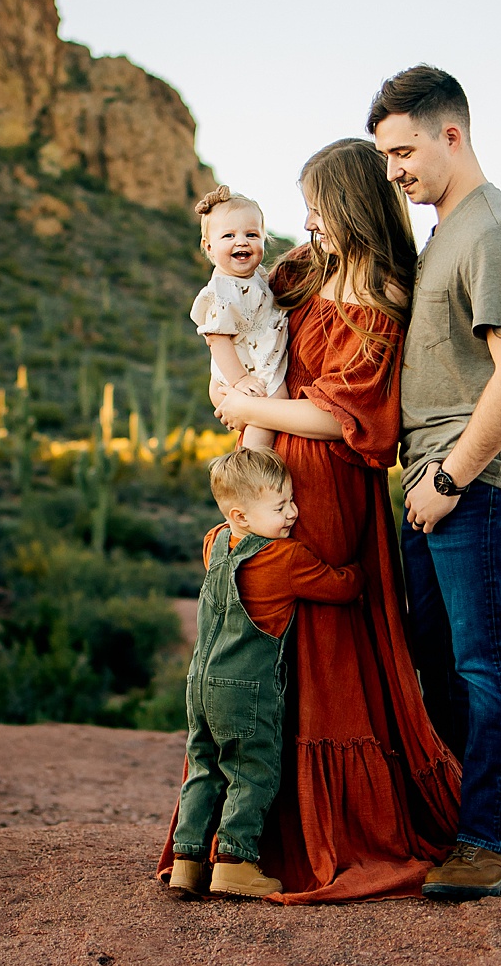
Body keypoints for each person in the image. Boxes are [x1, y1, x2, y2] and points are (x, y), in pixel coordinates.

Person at [162, 139, 462, 904]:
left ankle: (298, 837)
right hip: (271, 467)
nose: (305, 223)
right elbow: (240, 310)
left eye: (317, 208)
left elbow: (348, 417)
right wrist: (230, 382)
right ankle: (235, 841)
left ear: (351, 207)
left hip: (326, 484)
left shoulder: (384, 293)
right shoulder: (302, 270)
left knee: (321, 642)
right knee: (262, 638)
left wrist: (245, 405)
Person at [369, 65, 501, 902]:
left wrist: (449, 475)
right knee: (440, 662)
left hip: (477, 478)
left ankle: (490, 844)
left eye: (404, 151)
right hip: (436, 480)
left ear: (452, 134)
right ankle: (463, 824)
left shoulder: (493, 230)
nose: (394, 170)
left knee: (486, 662)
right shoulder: (445, 232)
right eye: (385, 156)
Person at [169, 448, 362, 901]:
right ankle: (235, 862)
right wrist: (360, 568)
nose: (293, 513)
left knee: (204, 768)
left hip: (199, 685)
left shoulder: (215, 542)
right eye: (280, 507)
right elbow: (341, 588)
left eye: (292, 500)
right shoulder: (287, 558)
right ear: (241, 514)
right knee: (251, 772)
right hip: (246, 689)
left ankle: (187, 861)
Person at [190, 185, 288, 452]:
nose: (242, 241)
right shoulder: (223, 290)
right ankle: (252, 462)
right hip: (245, 373)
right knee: (268, 411)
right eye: (229, 235)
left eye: (251, 234)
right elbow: (217, 339)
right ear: (209, 247)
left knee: (270, 411)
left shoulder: (254, 277)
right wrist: (240, 381)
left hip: (255, 362)